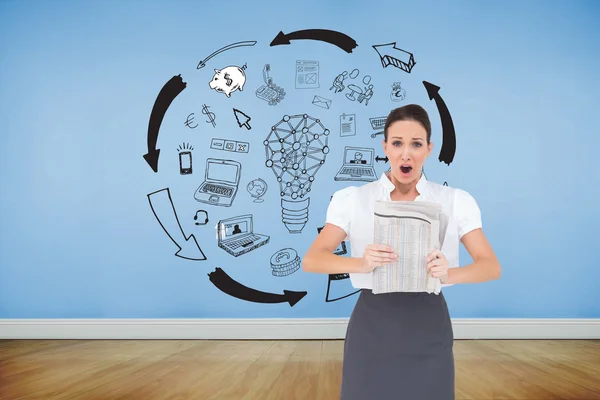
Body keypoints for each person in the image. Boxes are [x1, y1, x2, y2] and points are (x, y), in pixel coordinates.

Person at [302, 104, 502, 400]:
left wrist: (449, 272)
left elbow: (490, 266)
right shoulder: (354, 199)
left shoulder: (455, 201)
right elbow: (312, 260)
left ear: (429, 149)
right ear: (385, 147)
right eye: (397, 143)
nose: (406, 154)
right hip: (372, 324)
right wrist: (361, 263)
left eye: (416, 144)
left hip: (428, 323)